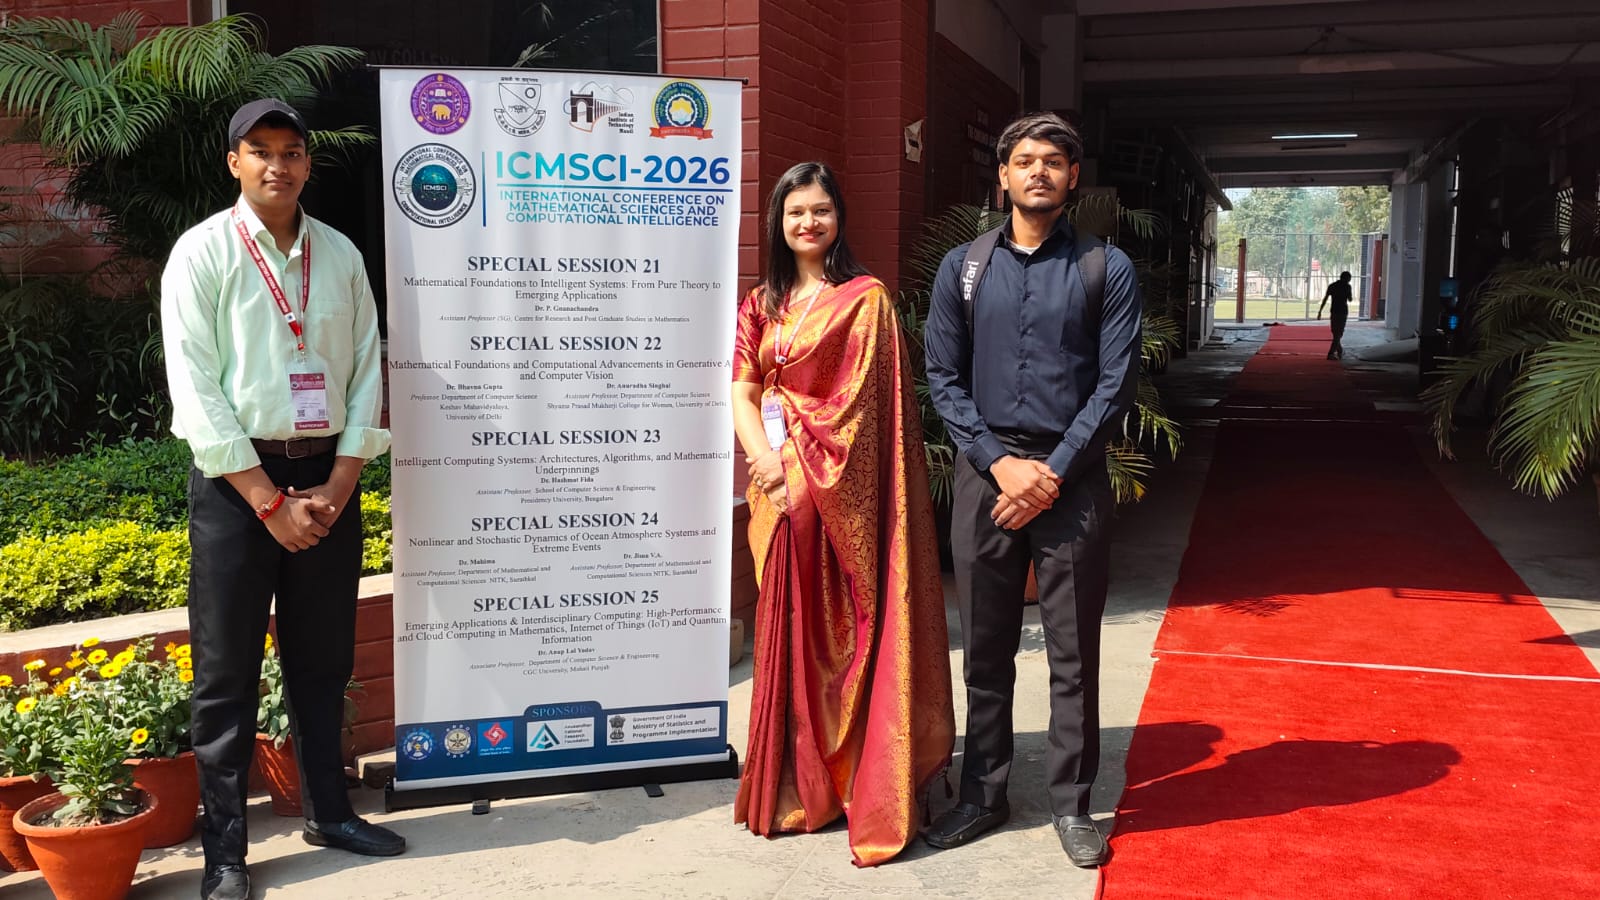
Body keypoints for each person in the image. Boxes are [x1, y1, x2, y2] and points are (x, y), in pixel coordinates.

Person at [161, 99, 405, 900]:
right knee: (226, 674)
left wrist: (338, 483)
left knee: (323, 661)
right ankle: (226, 855)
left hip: (327, 482)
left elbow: (365, 370)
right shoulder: (202, 253)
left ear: (307, 162)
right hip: (239, 488)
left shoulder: (339, 254)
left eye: (292, 151)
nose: (278, 165)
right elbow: (196, 389)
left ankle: (329, 813)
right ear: (234, 162)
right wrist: (268, 502)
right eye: (260, 150)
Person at [922, 112, 1142, 868]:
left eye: (1053, 161)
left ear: (1073, 177)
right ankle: (983, 795)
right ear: (1003, 176)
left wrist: (1049, 473)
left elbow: (1114, 385)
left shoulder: (1105, 268)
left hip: (1070, 482)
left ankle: (1073, 804)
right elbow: (943, 378)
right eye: (1024, 160)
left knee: (1073, 655)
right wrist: (998, 462)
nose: (1038, 171)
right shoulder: (963, 268)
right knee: (985, 650)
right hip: (986, 480)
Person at [730, 161, 955, 866]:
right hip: (774, 492)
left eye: (821, 210)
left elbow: (862, 414)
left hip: (837, 497)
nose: (809, 222)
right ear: (777, 220)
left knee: (848, 635)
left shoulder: (865, 300)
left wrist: (797, 465)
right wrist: (765, 463)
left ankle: (856, 776)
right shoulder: (760, 304)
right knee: (789, 636)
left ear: (839, 218)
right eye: (796, 211)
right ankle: (797, 787)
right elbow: (743, 391)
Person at [1317, 270, 1354, 359]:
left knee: (1335, 332)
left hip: (1334, 311)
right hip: (1343, 311)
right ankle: (1331, 353)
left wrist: (1320, 311)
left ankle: (1340, 350)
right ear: (1347, 279)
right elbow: (1350, 299)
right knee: (1339, 333)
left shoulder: (1332, 286)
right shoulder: (1347, 287)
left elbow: (1325, 299)